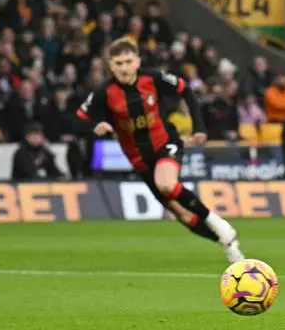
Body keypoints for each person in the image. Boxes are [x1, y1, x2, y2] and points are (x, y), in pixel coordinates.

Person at [75, 38, 244, 263]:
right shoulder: (105, 93)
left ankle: (218, 222)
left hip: (165, 142)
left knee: (166, 184)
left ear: (137, 61)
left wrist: (199, 128)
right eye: (118, 63)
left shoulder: (152, 78)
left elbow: (186, 90)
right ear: (111, 66)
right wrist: (94, 126)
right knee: (182, 215)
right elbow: (77, 118)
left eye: (128, 61)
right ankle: (228, 244)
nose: (124, 68)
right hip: (138, 158)